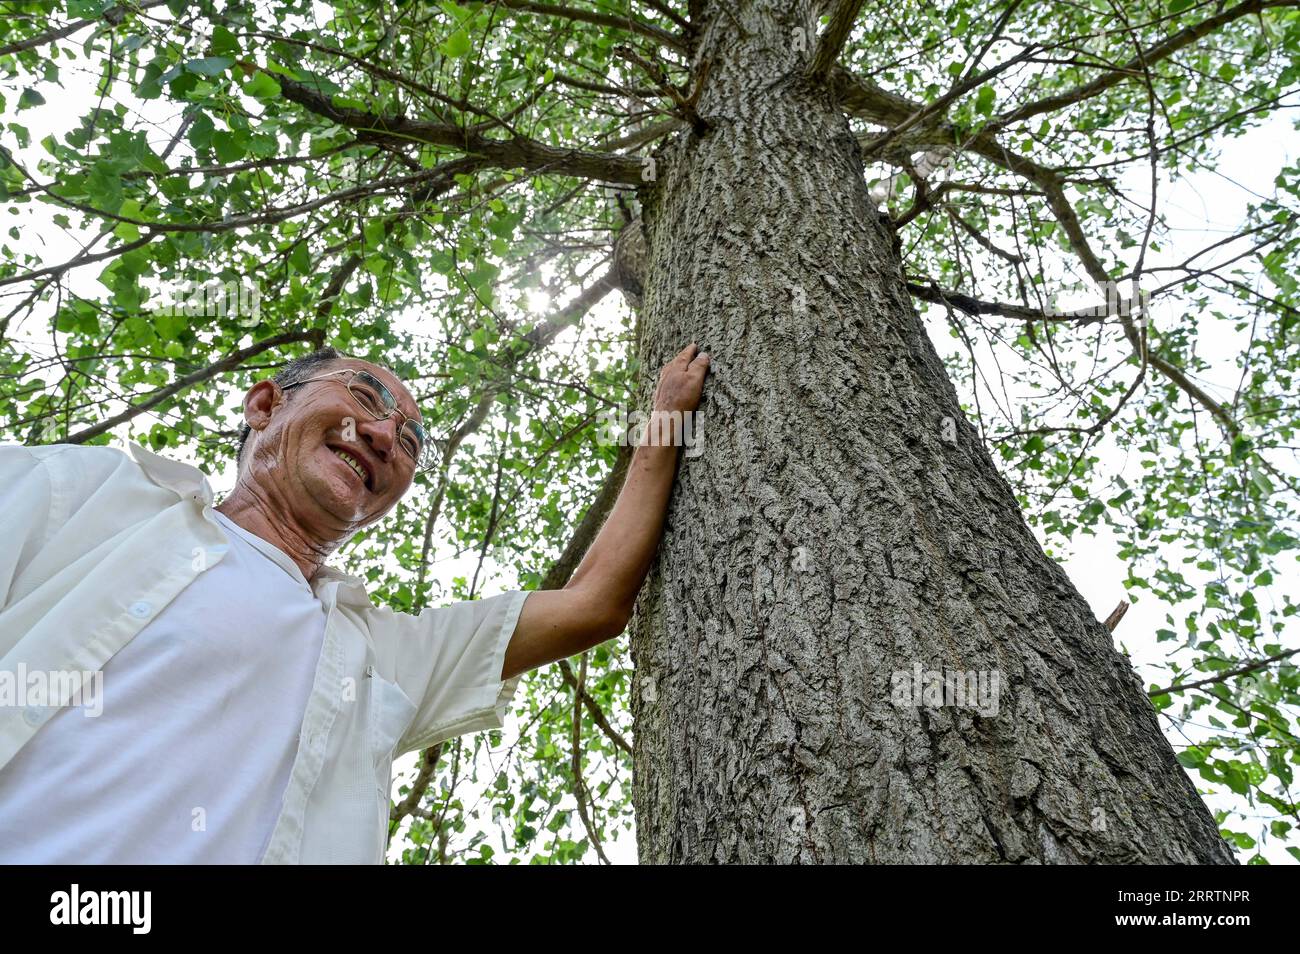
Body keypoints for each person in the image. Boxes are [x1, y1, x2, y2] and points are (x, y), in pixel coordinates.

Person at [0, 342, 709, 863]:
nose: (382, 434)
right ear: (265, 403)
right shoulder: (86, 497)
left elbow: (591, 604)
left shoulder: (381, 658)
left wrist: (665, 423)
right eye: (365, 397)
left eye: (409, 441)